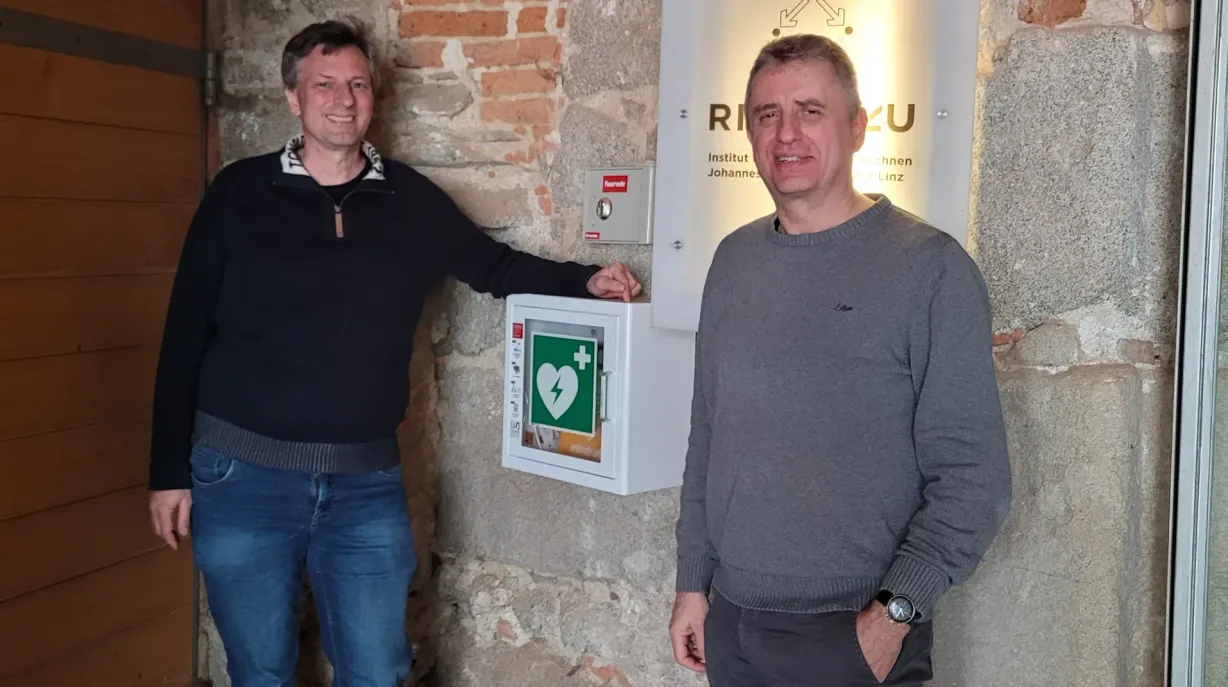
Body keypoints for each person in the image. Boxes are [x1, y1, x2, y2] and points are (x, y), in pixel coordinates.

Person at [146, 19, 641, 687]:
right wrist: (168, 469)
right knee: (261, 670)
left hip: (362, 485)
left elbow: (492, 265)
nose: (343, 98)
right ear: (294, 97)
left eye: (357, 84)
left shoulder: (409, 201)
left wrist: (582, 278)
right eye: (324, 84)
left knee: (377, 671)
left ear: (374, 96)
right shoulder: (240, 194)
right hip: (243, 478)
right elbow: (184, 333)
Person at [668, 34, 1012, 687]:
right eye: (767, 114)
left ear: (856, 127)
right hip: (733, 624)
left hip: (852, 632)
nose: (786, 133)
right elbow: (709, 435)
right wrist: (693, 581)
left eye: (810, 110)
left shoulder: (929, 270)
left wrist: (894, 613)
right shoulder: (733, 261)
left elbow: (975, 476)